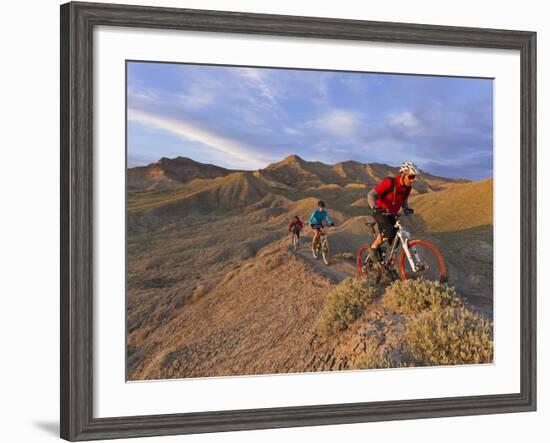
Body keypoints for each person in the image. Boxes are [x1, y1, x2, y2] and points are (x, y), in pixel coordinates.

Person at [366, 161, 417, 262]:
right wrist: (375, 207)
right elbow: (371, 195)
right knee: (388, 232)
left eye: (414, 177)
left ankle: (388, 265)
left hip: (392, 213)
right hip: (380, 211)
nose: (413, 180)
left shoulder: (407, 188)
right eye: (411, 177)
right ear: (403, 174)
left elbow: (403, 199)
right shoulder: (390, 182)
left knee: (395, 240)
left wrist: (406, 208)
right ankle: (373, 248)